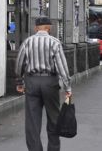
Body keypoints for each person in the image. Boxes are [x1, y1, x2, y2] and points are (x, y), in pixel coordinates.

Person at [15, 17, 72, 151]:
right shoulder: (55, 43)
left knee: (32, 122)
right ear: (49, 28)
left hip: (32, 82)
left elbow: (19, 64)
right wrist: (67, 87)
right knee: (53, 119)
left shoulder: (27, 42)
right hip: (50, 83)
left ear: (36, 28)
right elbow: (62, 67)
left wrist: (19, 81)